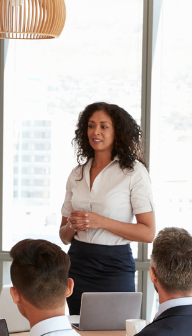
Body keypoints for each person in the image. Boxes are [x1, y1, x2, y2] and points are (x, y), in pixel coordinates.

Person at [59, 102, 157, 315]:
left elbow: (148, 232)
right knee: (79, 332)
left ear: (117, 132)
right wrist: (73, 225)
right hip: (77, 265)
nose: (96, 132)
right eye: (91, 125)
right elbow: (64, 236)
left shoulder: (134, 172)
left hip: (114, 267)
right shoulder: (77, 174)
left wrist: (99, 221)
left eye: (104, 126)